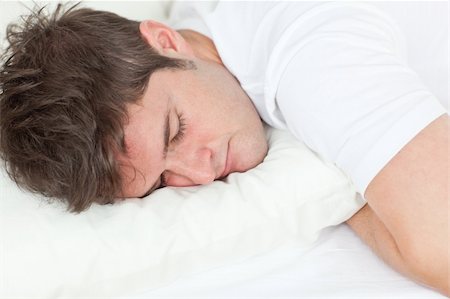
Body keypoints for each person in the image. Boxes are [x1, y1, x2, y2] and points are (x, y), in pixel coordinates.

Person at [0, 1, 448, 296]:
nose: (200, 174)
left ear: (164, 40)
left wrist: (353, 198)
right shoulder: (200, 21)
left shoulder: (313, 61)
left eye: (174, 132)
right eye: (162, 182)